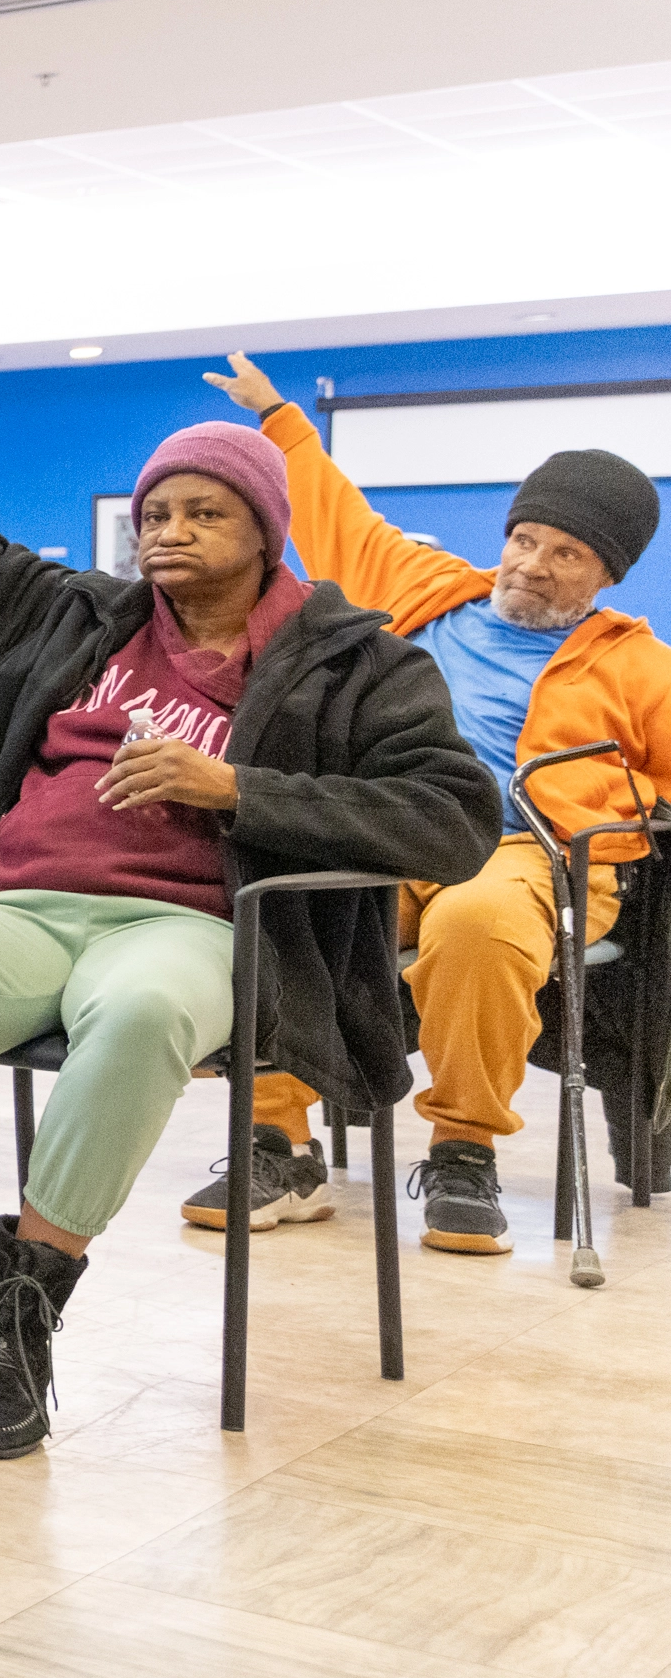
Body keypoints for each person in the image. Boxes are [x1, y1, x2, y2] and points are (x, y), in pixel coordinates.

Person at [0, 254, 497, 1456]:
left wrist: (236, 787)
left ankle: (24, 1311)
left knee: (135, 1022)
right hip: (22, 905)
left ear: (265, 531)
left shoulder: (356, 661)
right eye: (155, 514)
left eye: (203, 513)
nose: (169, 533)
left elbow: (452, 815)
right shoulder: (66, 616)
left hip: (190, 925)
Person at [207, 351, 671, 1255]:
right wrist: (277, 414)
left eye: (565, 553)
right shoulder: (426, 590)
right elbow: (337, 512)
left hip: (527, 848)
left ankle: (463, 1151)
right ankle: (275, 1141)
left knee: (479, 922)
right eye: (525, 539)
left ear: (605, 575)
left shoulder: (639, 666)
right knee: (281, 896)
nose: (533, 565)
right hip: (394, 823)